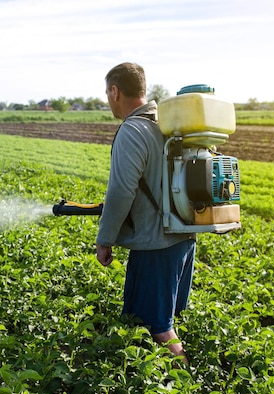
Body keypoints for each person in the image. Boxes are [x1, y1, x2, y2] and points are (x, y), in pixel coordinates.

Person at [96, 62, 196, 363]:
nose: (107, 99)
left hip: (156, 244)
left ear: (115, 91)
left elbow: (121, 191)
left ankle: (185, 388)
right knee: (147, 318)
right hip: (182, 236)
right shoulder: (167, 124)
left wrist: (105, 238)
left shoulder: (133, 129)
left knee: (160, 328)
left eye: (106, 92)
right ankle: (152, 383)